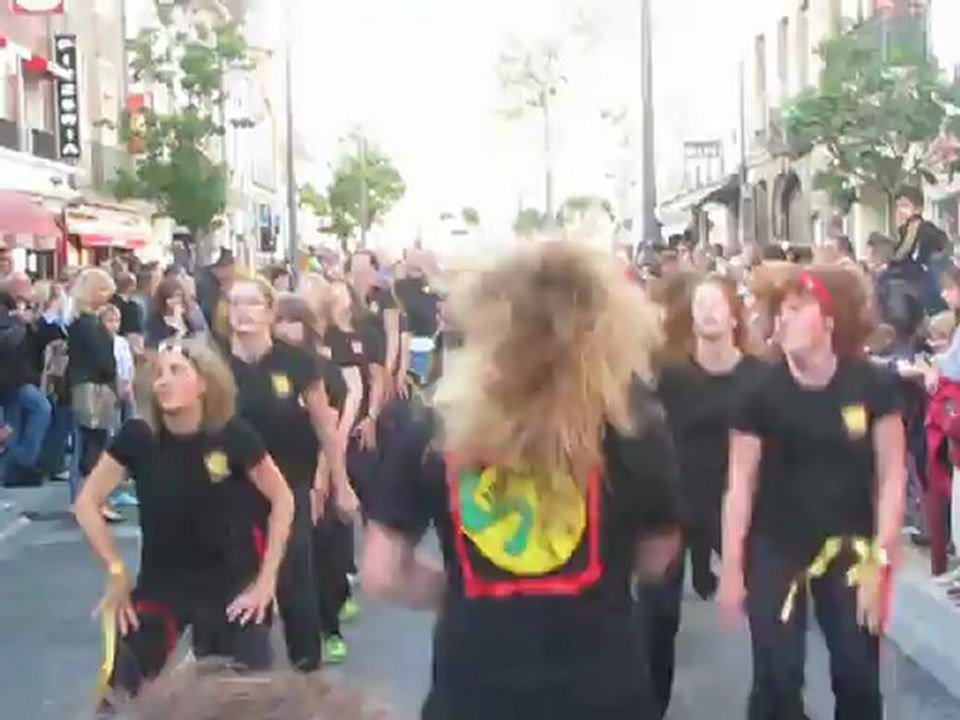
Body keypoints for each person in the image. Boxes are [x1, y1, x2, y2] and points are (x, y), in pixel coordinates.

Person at [361, 241, 682, 720]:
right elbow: (658, 555)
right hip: (602, 689)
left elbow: (382, 573)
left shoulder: (437, 425)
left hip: (475, 690)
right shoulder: (633, 423)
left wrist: (465, 594)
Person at [719, 265, 906, 720]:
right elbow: (740, 484)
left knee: (858, 672)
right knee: (777, 675)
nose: (782, 322)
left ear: (828, 321)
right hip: (776, 546)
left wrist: (881, 559)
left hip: (850, 547)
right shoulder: (758, 391)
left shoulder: (873, 384)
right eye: (779, 312)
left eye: (796, 310)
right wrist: (731, 567)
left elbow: (892, 474)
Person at [74, 338, 294, 701]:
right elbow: (87, 502)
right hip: (164, 583)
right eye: (159, 373)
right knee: (117, 693)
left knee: (252, 697)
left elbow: (282, 499)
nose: (163, 381)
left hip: (230, 583)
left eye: (176, 371)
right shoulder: (139, 436)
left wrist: (265, 582)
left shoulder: (232, 434)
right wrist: (115, 569)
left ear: (204, 383)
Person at [645, 274, 764, 718]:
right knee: (656, 616)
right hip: (677, 503)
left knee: (768, 610)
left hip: (742, 504)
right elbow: (649, 433)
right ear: (690, 317)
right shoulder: (673, 376)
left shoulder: (758, 375)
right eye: (700, 304)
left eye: (717, 302)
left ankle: (776, 701)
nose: (709, 310)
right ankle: (648, 706)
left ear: (735, 313)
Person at [228, 276, 353, 671]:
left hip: (290, 484)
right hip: (232, 489)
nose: (242, 311)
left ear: (269, 312)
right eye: (235, 303)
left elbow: (324, 425)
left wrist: (339, 484)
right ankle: (248, 674)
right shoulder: (213, 361)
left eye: (251, 303)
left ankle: (306, 671)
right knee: (238, 578)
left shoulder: (296, 362)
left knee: (295, 579)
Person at [273, 291, 358, 663]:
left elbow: (330, 428)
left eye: (294, 321)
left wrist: (326, 479)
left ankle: (330, 627)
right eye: (281, 320)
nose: (286, 328)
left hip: (312, 472)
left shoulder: (320, 368)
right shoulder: (264, 367)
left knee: (322, 558)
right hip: (275, 476)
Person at [68, 268, 120, 514]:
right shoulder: (89, 324)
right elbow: (102, 359)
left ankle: (87, 498)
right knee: (94, 444)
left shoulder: (80, 321)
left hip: (85, 384)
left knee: (89, 443)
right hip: (94, 387)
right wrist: (113, 376)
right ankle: (93, 500)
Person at [145, 277, 202, 350]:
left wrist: (181, 322)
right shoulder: (155, 320)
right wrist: (175, 325)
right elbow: (156, 344)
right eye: (171, 298)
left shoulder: (188, 317)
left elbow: (194, 340)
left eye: (178, 296)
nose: (176, 301)